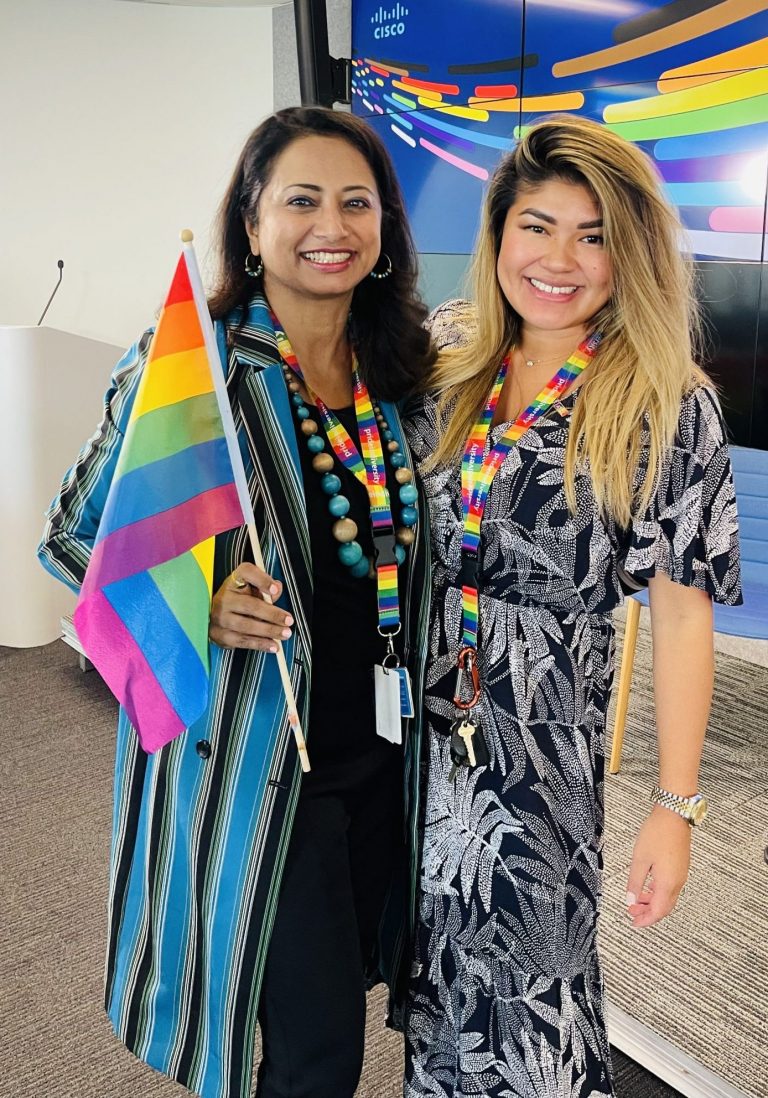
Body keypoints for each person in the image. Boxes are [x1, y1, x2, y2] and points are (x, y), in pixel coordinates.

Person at [38, 106, 435, 1098]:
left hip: (386, 756)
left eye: (357, 202)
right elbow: (76, 534)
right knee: (317, 1048)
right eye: (300, 200)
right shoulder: (199, 366)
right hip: (264, 760)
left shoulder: (404, 378)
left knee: (352, 984)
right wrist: (202, 594)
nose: (330, 224)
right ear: (251, 226)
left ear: (385, 226)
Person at [402, 115, 741, 1097]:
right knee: (438, 984)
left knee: (538, 994)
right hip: (424, 734)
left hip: (542, 754)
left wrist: (674, 809)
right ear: (498, 234)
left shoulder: (669, 403)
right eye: (536, 226)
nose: (559, 259)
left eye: (592, 234)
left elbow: (682, 618)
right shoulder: (450, 354)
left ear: (627, 250)